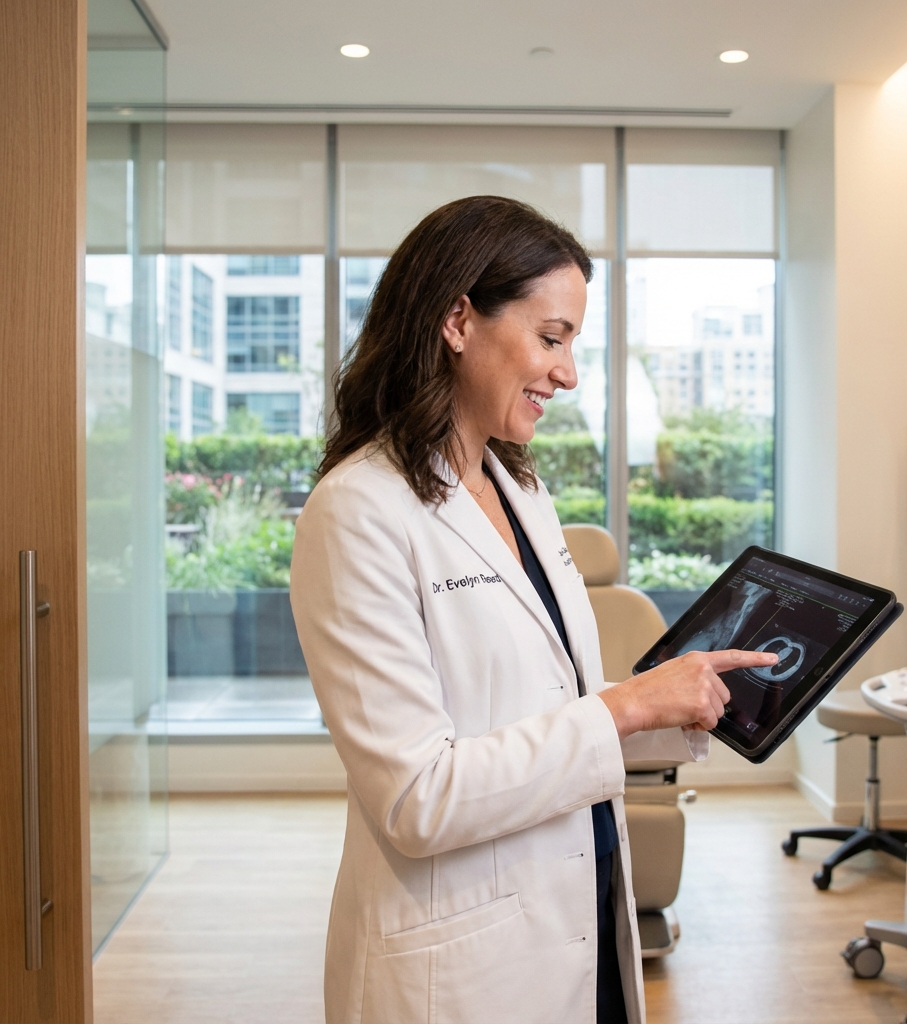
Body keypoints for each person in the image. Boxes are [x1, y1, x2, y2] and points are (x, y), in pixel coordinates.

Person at [290, 195, 777, 1024]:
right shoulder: (358, 511)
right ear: (456, 320)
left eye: (572, 344)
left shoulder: (521, 490)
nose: (568, 373)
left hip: (583, 906)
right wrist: (628, 706)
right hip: (463, 965)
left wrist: (680, 703)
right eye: (551, 338)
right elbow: (419, 797)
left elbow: (552, 712)